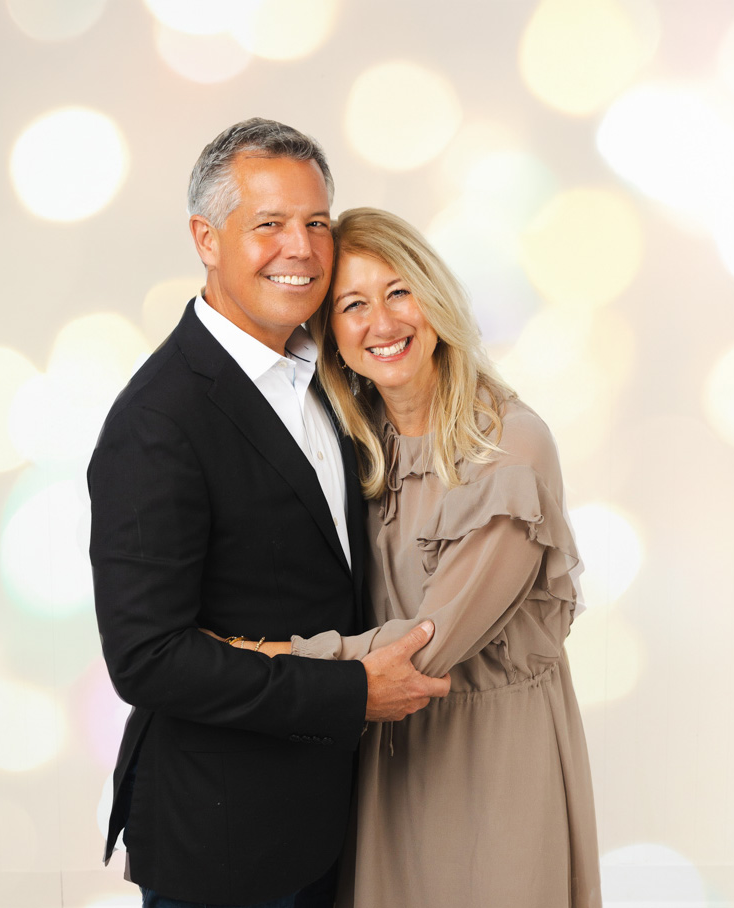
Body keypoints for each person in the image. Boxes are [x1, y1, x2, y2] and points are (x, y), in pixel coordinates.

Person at [87, 122, 451, 908]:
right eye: (270, 225)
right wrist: (352, 693)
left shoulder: (324, 373)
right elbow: (147, 657)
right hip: (227, 843)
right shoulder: (158, 420)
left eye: (317, 223)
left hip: (336, 821)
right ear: (205, 239)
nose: (304, 249)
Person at [222, 207, 602, 906]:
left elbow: (421, 652)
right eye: (353, 305)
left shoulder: (509, 448)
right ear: (331, 333)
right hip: (385, 766)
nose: (382, 323)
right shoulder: (357, 451)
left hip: (496, 768)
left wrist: (257, 658)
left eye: (399, 291)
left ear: (435, 298)